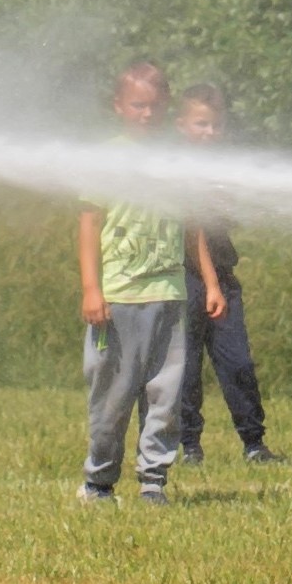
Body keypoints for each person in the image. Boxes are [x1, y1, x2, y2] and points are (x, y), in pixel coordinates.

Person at [79, 61, 193, 503]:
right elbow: (89, 223)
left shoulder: (177, 159)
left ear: (167, 106)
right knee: (112, 395)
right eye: (137, 105)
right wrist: (92, 289)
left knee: (165, 396)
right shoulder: (105, 158)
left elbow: (193, 223)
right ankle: (99, 481)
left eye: (155, 105)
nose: (147, 113)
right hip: (119, 297)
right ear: (119, 106)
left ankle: (153, 481)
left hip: (169, 294)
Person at [170, 85, 281, 466]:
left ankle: (254, 443)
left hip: (222, 278)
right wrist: (212, 285)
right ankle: (189, 446)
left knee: (238, 363)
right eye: (201, 124)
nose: (210, 133)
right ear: (181, 124)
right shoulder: (174, 169)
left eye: (216, 125)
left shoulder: (221, 169)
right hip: (188, 280)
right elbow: (192, 231)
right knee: (186, 368)